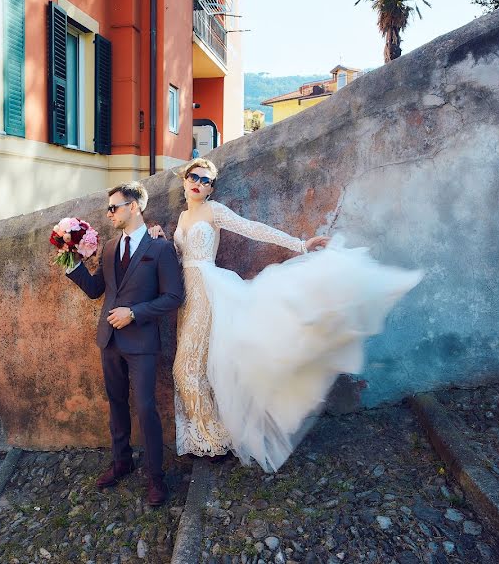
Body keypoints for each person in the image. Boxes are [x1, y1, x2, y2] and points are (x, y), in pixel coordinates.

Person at [149, 158, 422, 471]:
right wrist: (161, 243)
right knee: (194, 368)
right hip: (187, 296)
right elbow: (178, 260)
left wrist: (301, 244)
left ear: (211, 188)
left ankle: (216, 439)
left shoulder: (215, 211)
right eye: (194, 177)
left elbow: (253, 229)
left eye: (206, 180)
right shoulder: (183, 216)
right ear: (184, 180)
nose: (199, 183)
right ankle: (206, 439)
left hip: (209, 294)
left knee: (186, 367)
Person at [66, 182, 184, 506]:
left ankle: (156, 478)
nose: (109, 214)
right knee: (116, 403)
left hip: (142, 342)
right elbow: (95, 290)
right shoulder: (108, 248)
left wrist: (134, 313)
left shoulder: (160, 249)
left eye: (114, 207)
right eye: (108, 208)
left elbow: (174, 296)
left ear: (134, 207)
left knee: (146, 408)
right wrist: (69, 263)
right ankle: (121, 462)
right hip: (109, 341)